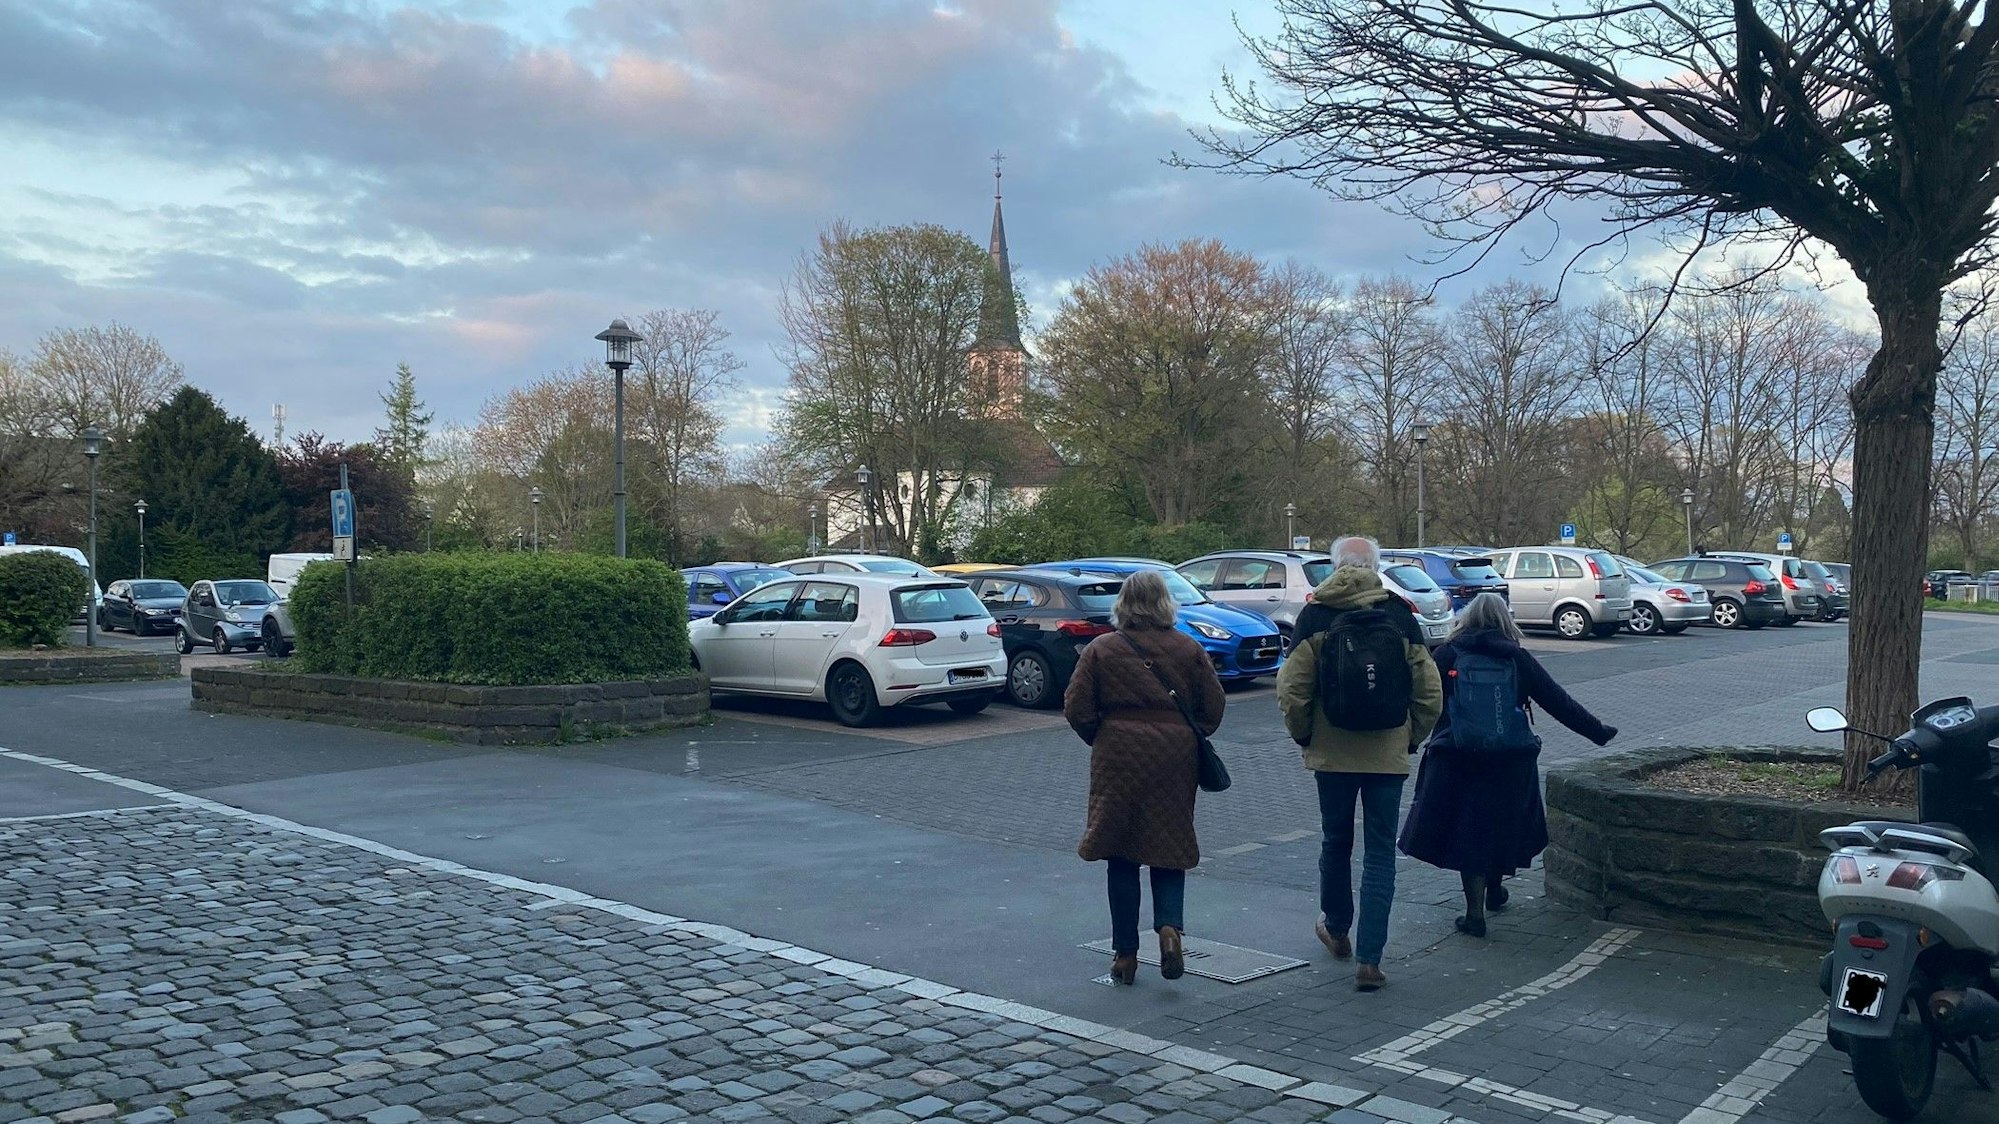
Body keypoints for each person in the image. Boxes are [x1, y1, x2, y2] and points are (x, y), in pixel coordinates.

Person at [1399, 592, 1617, 937]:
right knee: (1501, 824)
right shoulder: (1516, 657)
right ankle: (1495, 888)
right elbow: (1557, 701)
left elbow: (1423, 700)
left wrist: (1408, 741)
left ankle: (1474, 914)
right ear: (1506, 620)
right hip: (1511, 758)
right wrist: (1597, 731)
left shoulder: (1448, 654)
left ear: (1466, 619)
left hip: (1457, 756)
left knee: (1469, 830)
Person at [1277, 536, 1442, 991]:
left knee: (1336, 841)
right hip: (1387, 753)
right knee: (1380, 852)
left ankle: (1336, 929)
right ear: (1377, 566)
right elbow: (1430, 691)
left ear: (1334, 566)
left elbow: (1292, 689)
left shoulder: (1315, 614)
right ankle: (1370, 960)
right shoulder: (1399, 614)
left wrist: (1305, 734)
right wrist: (1409, 737)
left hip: (1332, 753)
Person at [1064, 569, 1226, 986]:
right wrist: (1187, 735)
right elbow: (1213, 705)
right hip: (1174, 757)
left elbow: (1076, 706)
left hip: (1117, 755)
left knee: (1120, 852)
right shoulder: (1188, 647)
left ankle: (1125, 955)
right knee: (1169, 844)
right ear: (1165, 603)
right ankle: (1169, 930)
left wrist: (1102, 736)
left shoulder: (1102, 649)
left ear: (1123, 604)